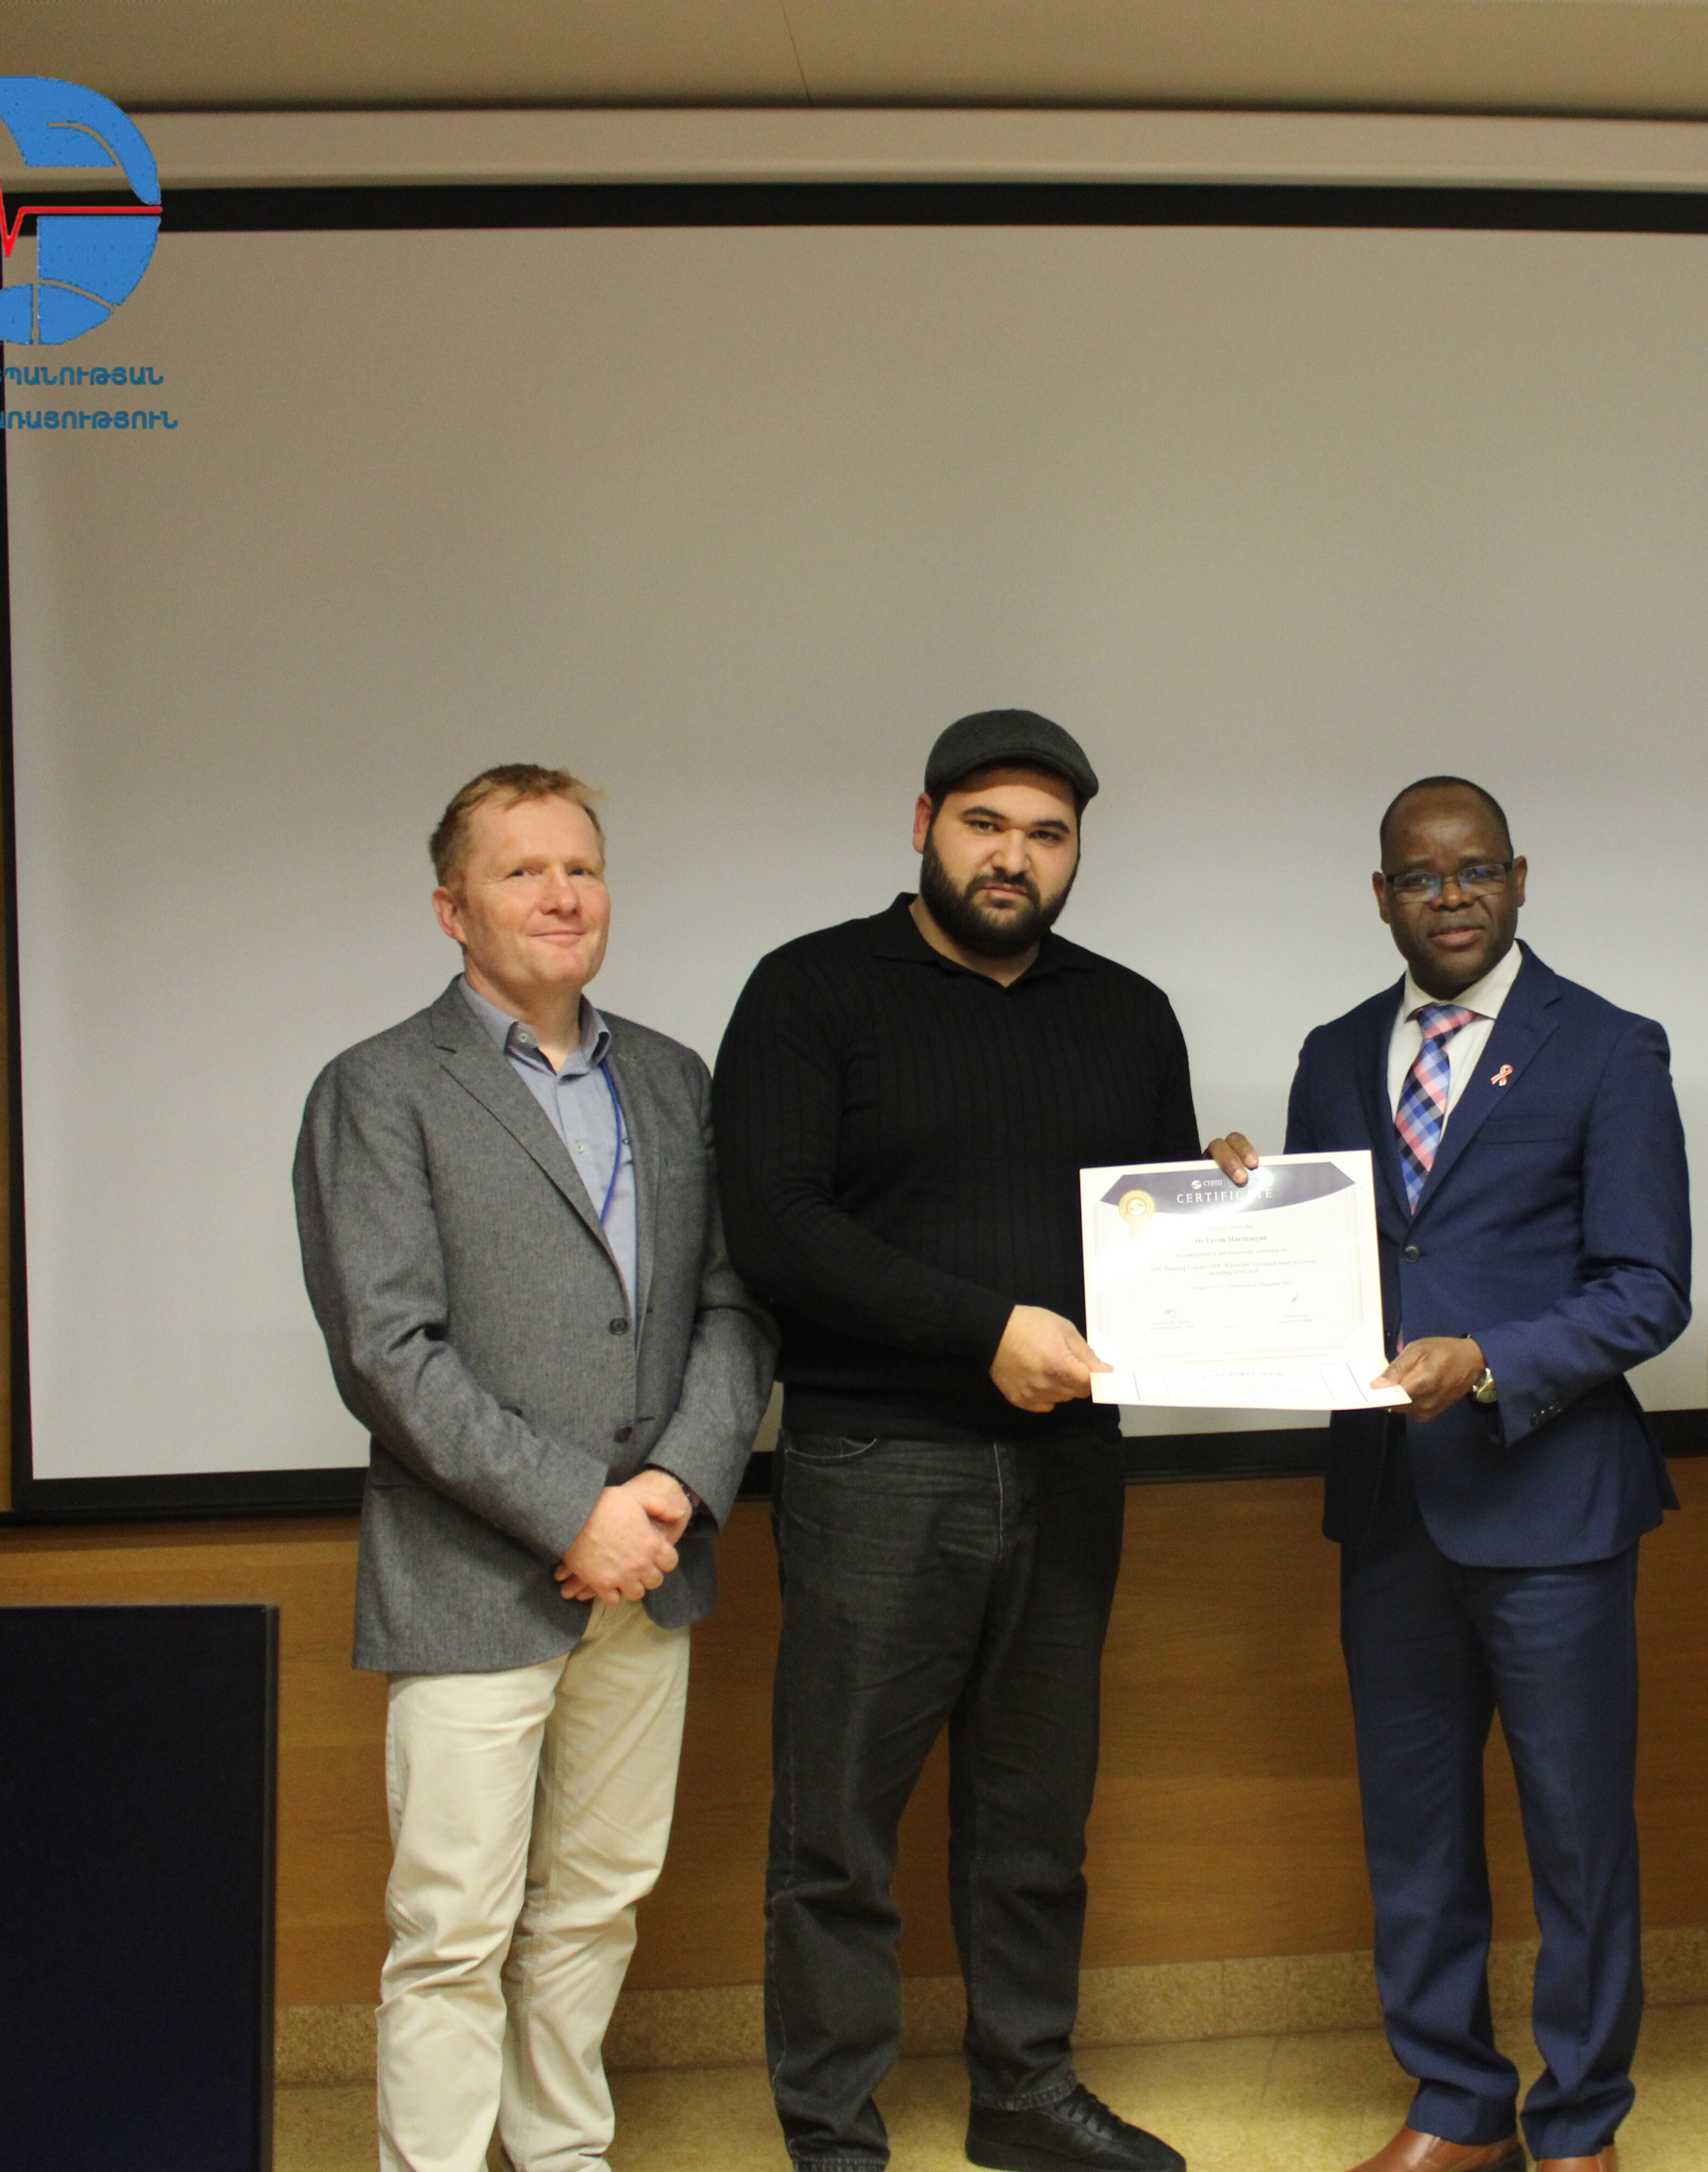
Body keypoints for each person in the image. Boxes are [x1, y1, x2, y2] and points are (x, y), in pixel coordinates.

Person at [710, 711, 1199, 2172]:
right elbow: (776, 1226)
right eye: (986, 824)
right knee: (839, 1828)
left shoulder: (1128, 1012)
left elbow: (1157, 1237)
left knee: (1036, 1816)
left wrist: (1228, 1198)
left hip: (1072, 1466)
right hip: (878, 1461)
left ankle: (1024, 2094)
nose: (1014, 858)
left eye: (1048, 835)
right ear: (924, 823)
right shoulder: (811, 990)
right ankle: (831, 2129)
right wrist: (982, 1325)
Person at [294, 763, 777, 2172]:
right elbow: (388, 1351)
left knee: (598, 1899)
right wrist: (576, 1510)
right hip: (471, 1576)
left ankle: (564, 2153)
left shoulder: (674, 1080)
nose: (562, 895)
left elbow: (736, 1306)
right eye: (522, 871)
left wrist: (670, 1488)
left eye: (582, 867)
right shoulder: (380, 1088)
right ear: (452, 909)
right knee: (452, 1927)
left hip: (652, 1564)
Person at [1209, 776, 1690, 2172]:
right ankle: (1456, 2104)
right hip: (1393, 1507)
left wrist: (1488, 1359)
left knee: (1578, 1834)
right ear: (1382, 897)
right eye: (1422, 877)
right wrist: (1235, 1203)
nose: (1454, 895)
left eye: (1477, 869)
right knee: (1413, 1824)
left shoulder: (1607, 1045)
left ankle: (1581, 2120)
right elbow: (1322, 1263)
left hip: (1554, 1504)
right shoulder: (1332, 1053)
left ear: (1521, 877)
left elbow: (1649, 1286)